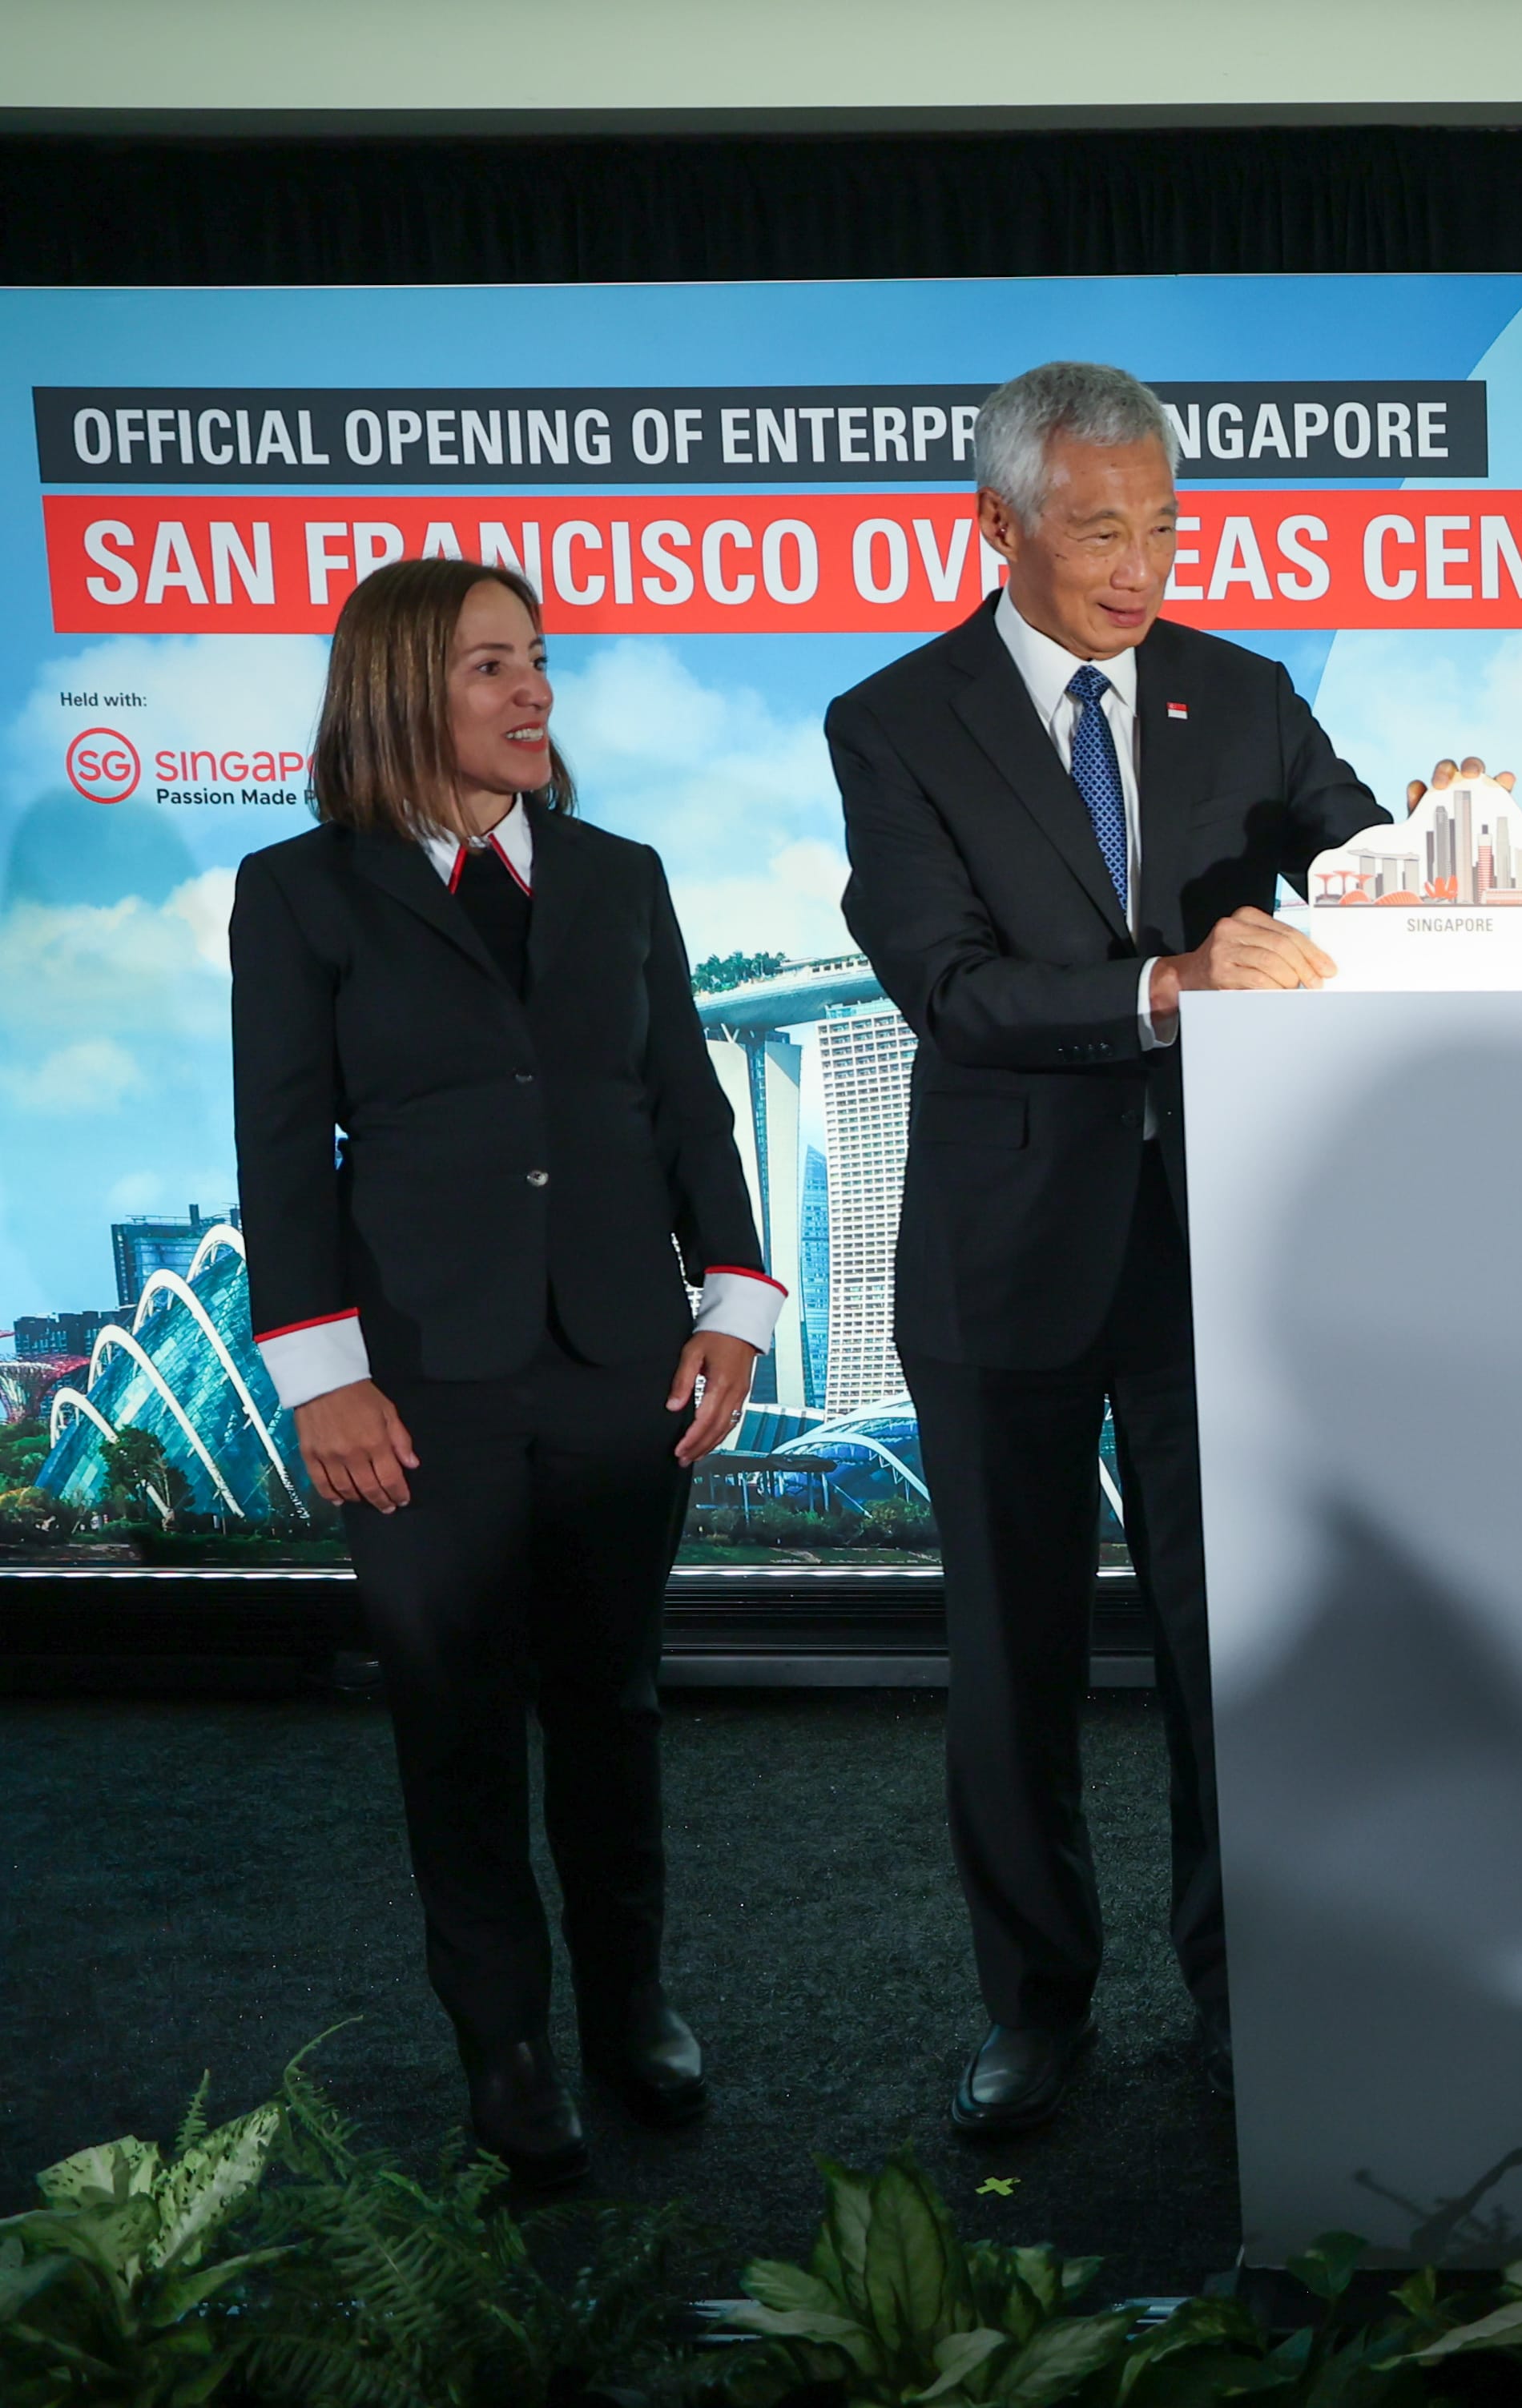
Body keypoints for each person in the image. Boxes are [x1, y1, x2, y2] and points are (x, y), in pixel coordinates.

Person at [829, 360, 1387, 2136]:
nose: (1140, 565)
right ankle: (1035, 2007)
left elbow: (1368, 867)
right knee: (1016, 1662)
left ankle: (1247, 1997)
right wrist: (1166, 984)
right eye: (1097, 532)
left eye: (1161, 525)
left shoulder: (1247, 695)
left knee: (1235, 1652)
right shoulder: (894, 721)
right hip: (1003, 1251)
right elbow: (950, 985)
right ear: (998, 526)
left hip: (1220, 1246)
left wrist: (1447, 845)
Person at [234, 557, 776, 2185]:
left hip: (621, 1357)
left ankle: (629, 2008)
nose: (534, 688)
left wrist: (735, 1299)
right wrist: (320, 1373)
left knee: (612, 1707)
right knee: (455, 1722)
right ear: (405, 688)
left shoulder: (622, 875)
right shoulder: (301, 892)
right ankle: (507, 2048)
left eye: (537, 659)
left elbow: (686, 1101)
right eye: (491, 665)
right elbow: (281, 1145)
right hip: (414, 1383)